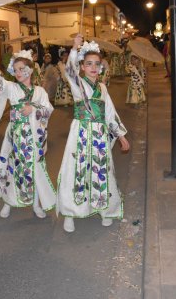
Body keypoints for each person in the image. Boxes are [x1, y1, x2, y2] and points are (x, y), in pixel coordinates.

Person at [0, 48, 56, 219]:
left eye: (21, 69)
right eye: (15, 70)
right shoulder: (11, 87)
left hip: (34, 137)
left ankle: (36, 204)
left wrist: (33, 108)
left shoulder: (40, 92)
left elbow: (48, 109)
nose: (17, 73)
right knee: (12, 168)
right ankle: (8, 202)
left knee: (35, 169)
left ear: (30, 70)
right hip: (15, 135)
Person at [57, 35, 130, 233]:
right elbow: (69, 70)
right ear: (82, 66)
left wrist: (121, 136)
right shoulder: (77, 84)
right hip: (80, 132)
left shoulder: (103, 88)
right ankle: (71, 213)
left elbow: (110, 114)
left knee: (101, 170)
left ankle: (104, 210)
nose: (93, 68)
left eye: (96, 64)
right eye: (88, 64)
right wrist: (74, 47)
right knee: (76, 170)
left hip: (99, 136)